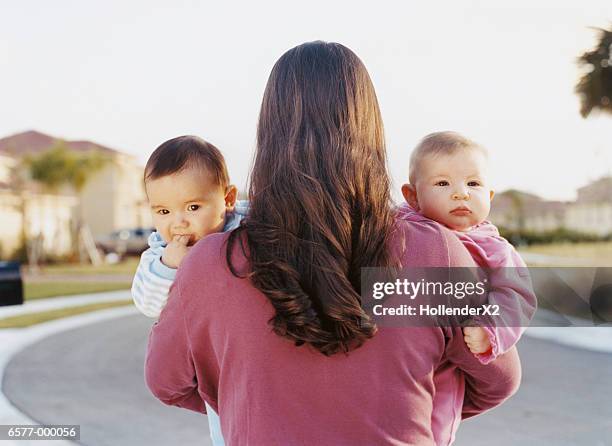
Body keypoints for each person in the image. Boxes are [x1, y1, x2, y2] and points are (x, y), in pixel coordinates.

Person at [145, 41, 521, 445]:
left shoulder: (210, 263)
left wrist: (249, 401)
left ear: (268, 133)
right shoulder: (436, 251)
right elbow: (497, 379)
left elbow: (168, 382)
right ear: (371, 131)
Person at [399, 131, 536, 444]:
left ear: (488, 196)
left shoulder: (493, 249)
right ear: (412, 196)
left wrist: (491, 330)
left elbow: (517, 297)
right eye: (443, 183)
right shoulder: (402, 228)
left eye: (473, 184)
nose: (460, 193)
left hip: (448, 361)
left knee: (434, 418)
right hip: (404, 351)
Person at [132, 135, 247, 446]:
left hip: (247, 354)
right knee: (227, 425)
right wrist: (170, 267)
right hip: (214, 367)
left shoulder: (247, 229)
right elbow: (147, 303)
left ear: (228, 198)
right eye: (163, 212)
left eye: (193, 207)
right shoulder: (160, 254)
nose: (178, 223)